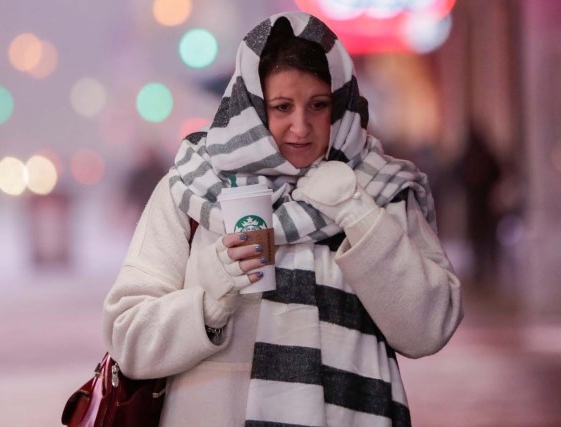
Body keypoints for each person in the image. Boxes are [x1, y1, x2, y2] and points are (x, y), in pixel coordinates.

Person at [103, 11, 463, 427]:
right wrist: (208, 301)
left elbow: (429, 329)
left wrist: (356, 210)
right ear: (253, 107)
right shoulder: (193, 189)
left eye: (318, 105)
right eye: (281, 107)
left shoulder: (379, 188)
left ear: (340, 103)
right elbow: (128, 338)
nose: (301, 126)